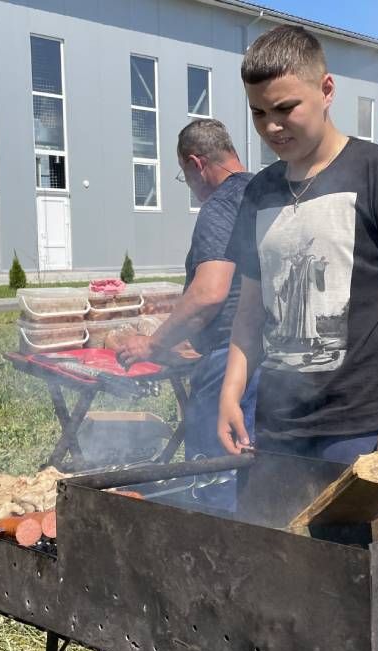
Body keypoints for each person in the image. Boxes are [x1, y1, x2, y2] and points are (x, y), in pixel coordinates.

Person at [217, 25, 378, 472]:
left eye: (285, 108)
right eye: (257, 112)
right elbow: (251, 311)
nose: (271, 126)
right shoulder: (259, 193)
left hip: (362, 432)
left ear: (326, 90)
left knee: (352, 545)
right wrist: (231, 392)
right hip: (274, 430)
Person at [117, 119, 257, 509]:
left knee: (214, 491)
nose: (191, 187)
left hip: (229, 369)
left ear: (196, 163)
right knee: (257, 491)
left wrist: (153, 343)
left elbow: (211, 292)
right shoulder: (266, 192)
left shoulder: (221, 205)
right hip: (270, 367)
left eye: (185, 175)